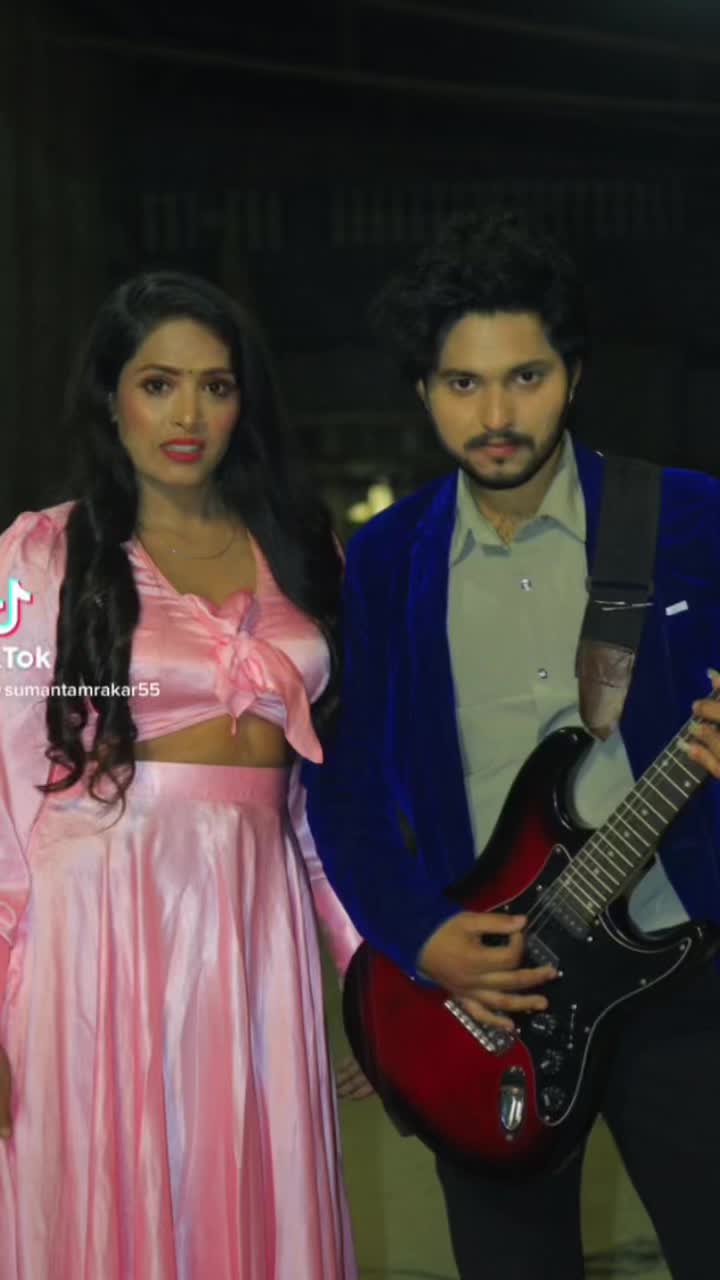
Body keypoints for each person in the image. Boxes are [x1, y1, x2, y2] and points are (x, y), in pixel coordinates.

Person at [304, 211, 720, 1279]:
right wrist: (420, 936)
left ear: (573, 376)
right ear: (424, 392)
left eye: (525, 377)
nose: (495, 415)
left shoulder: (690, 519)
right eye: (463, 383)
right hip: (489, 992)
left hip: (684, 972)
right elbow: (342, 794)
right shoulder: (387, 561)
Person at [0, 271, 364, 1279]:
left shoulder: (304, 550)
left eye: (216, 385)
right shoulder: (40, 557)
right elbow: (3, 786)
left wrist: (368, 969)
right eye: (159, 384)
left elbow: (318, 803)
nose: (188, 415)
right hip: (103, 925)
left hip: (258, 923)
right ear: (111, 394)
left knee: (249, 1197)